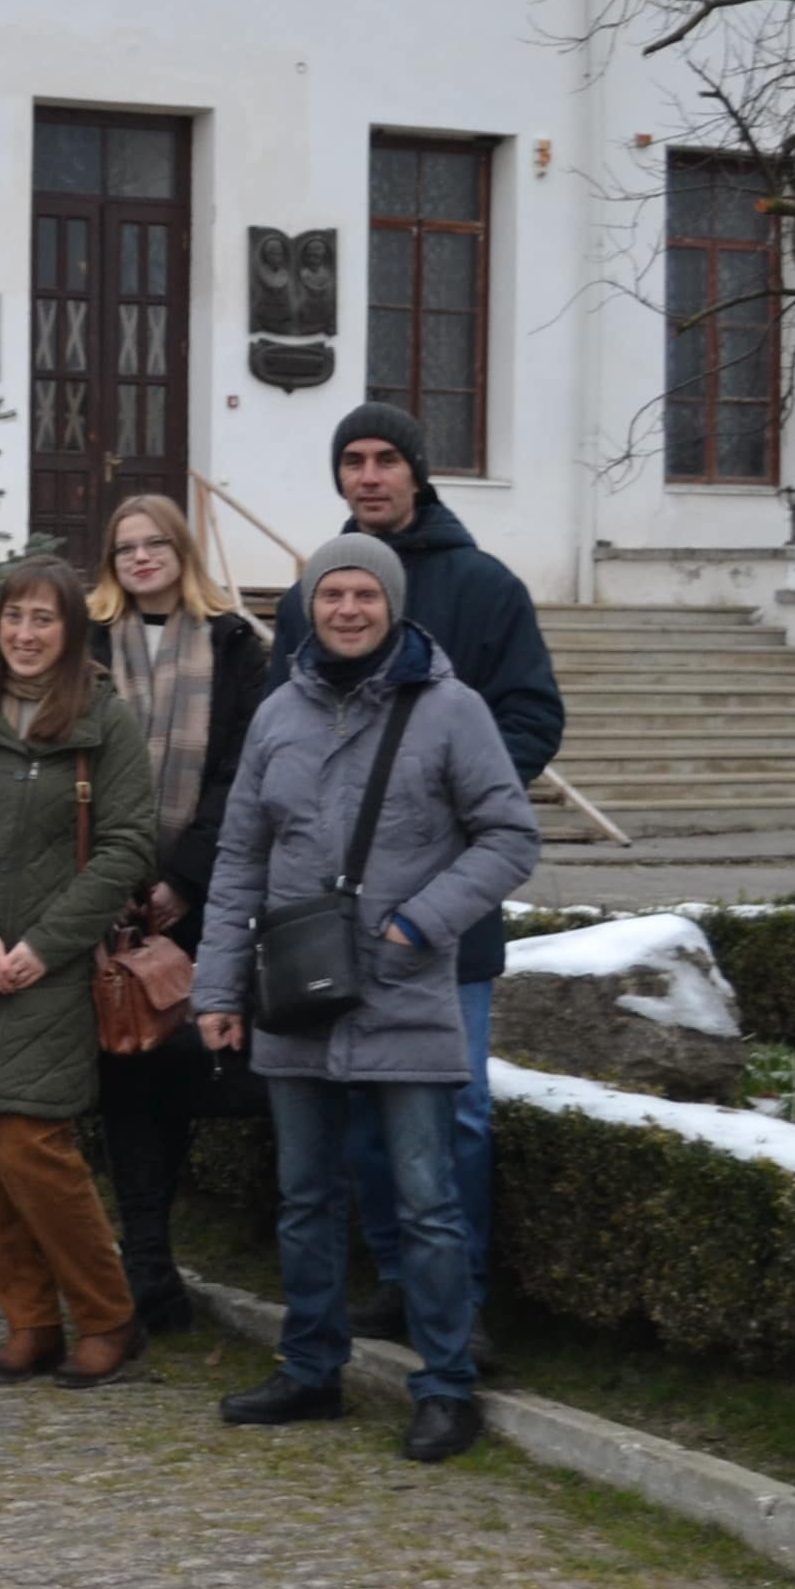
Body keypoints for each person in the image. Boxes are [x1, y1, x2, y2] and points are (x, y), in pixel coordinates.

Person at [197, 536, 539, 1462]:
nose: (346, 610)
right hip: (298, 992)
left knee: (428, 1205)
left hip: (404, 991)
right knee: (305, 1197)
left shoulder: (452, 710)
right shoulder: (277, 716)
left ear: (392, 605)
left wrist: (421, 923)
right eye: (330, 595)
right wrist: (216, 989)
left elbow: (509, 836)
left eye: (364, 595)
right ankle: (311, 1370)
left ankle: (445, 1383)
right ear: (308, 607)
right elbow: (239, 862)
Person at [265, 403, 564, 1345]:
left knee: (457, 1113)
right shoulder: (309, 588)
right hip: (329, 920)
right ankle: (399, 1278)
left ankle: (462, 1298)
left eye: (386, 458)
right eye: (351, 460)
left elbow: (531, 716)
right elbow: (286, 730)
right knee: (358, 1118)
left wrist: (454, 807)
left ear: (417, 471)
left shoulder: (485, 587)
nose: (368, 475)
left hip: (445, 914)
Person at [0, 558, 159, 1388]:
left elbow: (126, 844)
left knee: (32, 1146)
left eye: (44, 619)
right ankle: (31, 1321)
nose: (25, 634)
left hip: (48, 967)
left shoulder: (104, 719)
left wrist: (46, 943)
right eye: (14, 617)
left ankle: (110, 1318)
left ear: (72, 630)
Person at [89, 493, 273, 1333]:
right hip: (104, 905)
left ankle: (161, 1253)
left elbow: (242, 772)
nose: (140, 558)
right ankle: (148, 1267)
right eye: (125, 547)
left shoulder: (235, 645)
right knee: (125, 1078)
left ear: (181, 549)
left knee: (184, 1074)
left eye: (155, 542)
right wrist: (118, 880)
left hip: (203, 902)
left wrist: (185, 880)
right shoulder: (88, 643)